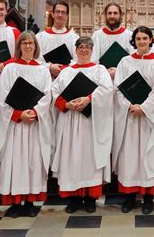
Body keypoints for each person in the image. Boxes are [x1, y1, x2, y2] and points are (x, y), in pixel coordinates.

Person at [0, 31, 53, 218]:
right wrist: (18, 114)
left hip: (35, 123)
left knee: (33, 162)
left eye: (31, 43)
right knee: (15, 161)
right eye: (24, 43)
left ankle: (29, 201)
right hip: (16, 125)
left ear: (36, 46)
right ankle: (15, 203)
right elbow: (2, 96)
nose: (28, 46)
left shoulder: (42, 69)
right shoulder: (10, 68)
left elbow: (47, 95)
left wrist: (35, 112)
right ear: (19, 47)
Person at [51, 37, 113, 214]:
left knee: (89, 159)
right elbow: (54, 93)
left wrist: (88, 99)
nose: (84, 50)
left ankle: (90, 198)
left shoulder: (99, 70)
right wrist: (67, 104)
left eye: (87, 47)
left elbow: (107, 90)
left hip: (91, 122)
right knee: (72, 158)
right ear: (75, 50)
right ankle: (74, 198)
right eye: (81, 47)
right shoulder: (66, 71)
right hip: (70, 121)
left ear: (92, 50)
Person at [112, 26, 154, 215]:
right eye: (138, 38)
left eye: (145, 38)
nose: (142, 41)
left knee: (147, 155)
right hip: (129, 117)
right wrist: (129, 106)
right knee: (129, 157)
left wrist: (144, 108)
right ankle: (129, 196)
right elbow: (117, 88)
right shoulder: (125, 62)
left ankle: (148, 198)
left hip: (148, 118)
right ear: (133, 41)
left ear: (151, 40)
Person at [36, 2, 79, 78]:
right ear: (52, 14)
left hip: (67, 78)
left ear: (67, 16)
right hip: (46, 77)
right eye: (57, 12)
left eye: (63, 12)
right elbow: (36, 59)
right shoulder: (40, 37)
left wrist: (63, 69)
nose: (60, 15)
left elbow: (77, 59)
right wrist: (49, 67)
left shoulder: (74, 38)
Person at [91, 3, 134, 79]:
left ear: (121, 15)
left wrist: (118, 71)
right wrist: (105, 72)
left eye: (115, 13)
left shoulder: (129, 35)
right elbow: (93, 60)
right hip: (103, 78)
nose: (112, 16)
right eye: (109, 13)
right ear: (105, 15)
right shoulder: (97, 35)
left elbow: (134, 60)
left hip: (123, 78)